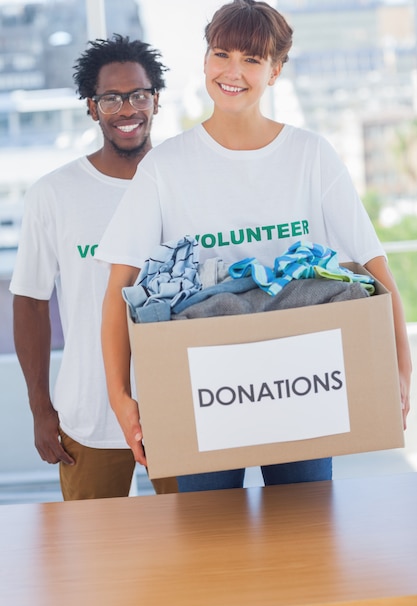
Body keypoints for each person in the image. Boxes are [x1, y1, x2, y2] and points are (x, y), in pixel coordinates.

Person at [97, 1, 412, 492]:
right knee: (211, 543)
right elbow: (121, 288)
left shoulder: (311, 155)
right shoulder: (167, 167)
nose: (232, 72)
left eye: (252, 59)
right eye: (221, 54)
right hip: (203, 390)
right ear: (204, 60)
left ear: (276, 70)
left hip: (304, 385)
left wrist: (400, 370)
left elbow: (375, 268)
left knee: (304, 539)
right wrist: (121, 398)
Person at [10, 34, 178, 499]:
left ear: (156, 100)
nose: (128, 110)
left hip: (182, 407)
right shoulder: (54, 194)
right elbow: (30, 303)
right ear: (92, 107)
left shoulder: (185, 180)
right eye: (111, 99)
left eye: (139, 95)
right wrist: (41, 410)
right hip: (86, 415)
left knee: (198, 553)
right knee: (91, 561)